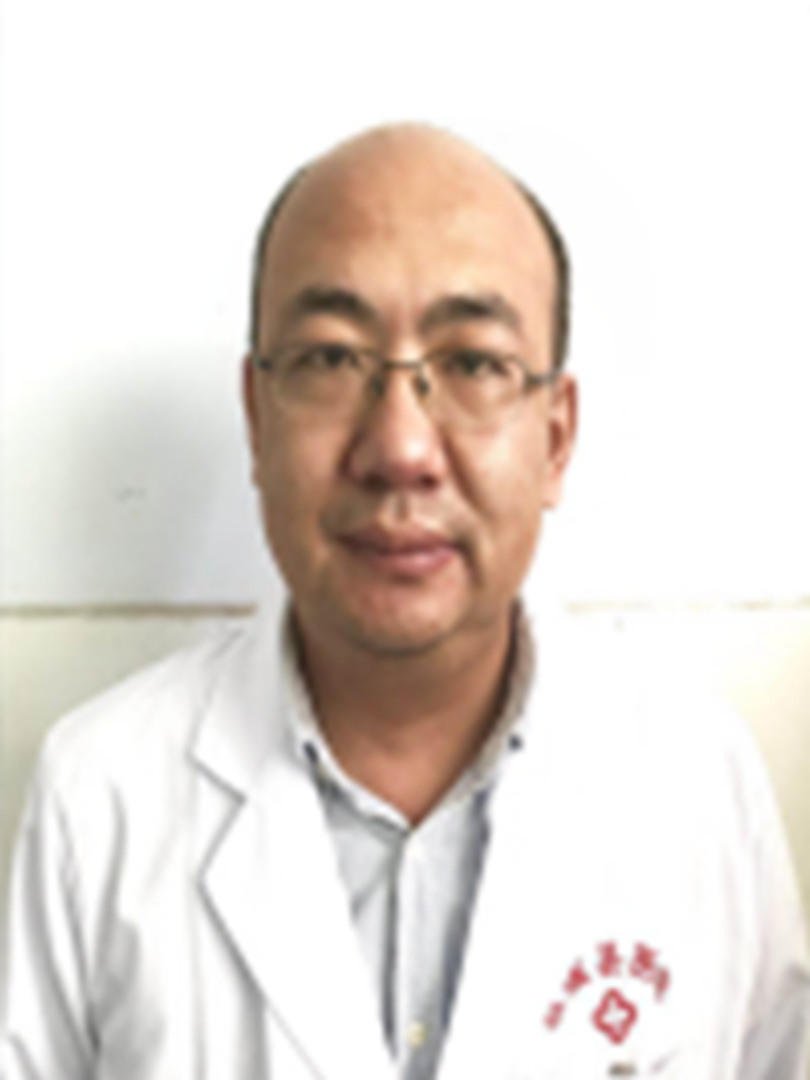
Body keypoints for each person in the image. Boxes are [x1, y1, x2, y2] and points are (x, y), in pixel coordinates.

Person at [1, 124, 808, 1080]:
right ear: (257, 419)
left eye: (474, 363)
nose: (401, 449)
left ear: (556, 439)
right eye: (331, 358)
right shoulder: (101, 795)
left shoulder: (696, 784)